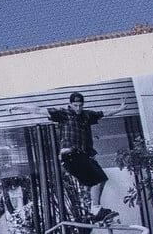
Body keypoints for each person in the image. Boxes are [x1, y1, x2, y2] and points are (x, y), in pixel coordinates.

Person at [48, 91, 113, 220]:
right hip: (70, 155)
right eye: (75, 105)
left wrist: (120, 109)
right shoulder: (64, 114)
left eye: (80, 106)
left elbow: (104, 113)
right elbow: (40, 111)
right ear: (70, 104)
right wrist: (19, 107)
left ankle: (95, 210)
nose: (78, 108)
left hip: (79, 157)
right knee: (97, 179)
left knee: (101, 179)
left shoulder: (87, 115)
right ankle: (95, 209)